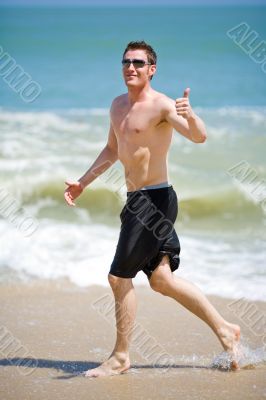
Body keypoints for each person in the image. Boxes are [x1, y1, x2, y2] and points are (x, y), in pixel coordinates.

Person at [64, 41, 241, 377]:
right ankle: (225, 330)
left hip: (155, 200)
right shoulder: (117, 106)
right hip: (136, 201)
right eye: (126, 62)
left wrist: (192, 115)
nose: (131, 67)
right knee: (161, 280)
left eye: (139, 63)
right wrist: (83, 182)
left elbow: (199, 137)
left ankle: (120, 357)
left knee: (118, 277)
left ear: (152, 69)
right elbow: (112, 149)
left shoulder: (162, 105)